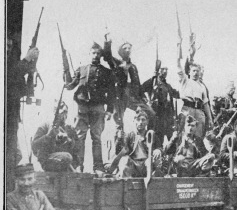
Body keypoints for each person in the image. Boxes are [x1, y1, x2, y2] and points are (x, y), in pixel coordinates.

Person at [64, 42, 115, 174]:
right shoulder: (81, 69)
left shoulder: (107, 72)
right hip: (82, 108)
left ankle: (98, 167)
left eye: (98, 53)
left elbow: (112, 93)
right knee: (80, 137)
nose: (96, 55)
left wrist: (110, 110)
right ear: (89, 54)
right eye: (93, 53)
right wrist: (66, 71)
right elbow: (70, 86)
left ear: (101, 55)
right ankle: (78, 166)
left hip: (98, 108)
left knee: (96, 138)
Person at [103, 39, 154, 154]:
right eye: (125, 48)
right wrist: (107, 43)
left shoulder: (133, 67)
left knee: (150, 113)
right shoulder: (116, 62)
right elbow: (107, 55)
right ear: (120, 51)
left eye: (129, 48)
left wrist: (143, 97)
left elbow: (138, 83)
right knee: (119, 125)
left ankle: (147, 143)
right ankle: (117, 154)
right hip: (120, 96)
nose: (128, 50)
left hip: (133, 96)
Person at [6, 38, 38, 191]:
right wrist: (26, 59)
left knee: (14, 153)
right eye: (5, 45)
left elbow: (21, 89)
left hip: (11, 113)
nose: (7, 49)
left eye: (9, 46)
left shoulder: (12, 62)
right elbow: (8, 76)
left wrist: (31, 70)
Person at [106, 108, 163, 177]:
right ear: (134, 121)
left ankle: (151, 184)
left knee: (151, 162)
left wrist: (158, 150)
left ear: (147, 122)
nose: (140, 122)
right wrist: (119, 139)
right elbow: (119, 152)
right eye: (138, 120)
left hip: (147, 165)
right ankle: (126, 184)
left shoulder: (151, 135)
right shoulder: (130, 136)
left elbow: (160, 147)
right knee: (124, 160)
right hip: (133, 166)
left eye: (143, 120)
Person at [32, 100, 78, 172]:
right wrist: (48, 136)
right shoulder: (45, 126)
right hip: (48, 160)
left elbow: (77, 149)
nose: (63, 116)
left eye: (65, 113)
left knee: (68, 157)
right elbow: (34, 145)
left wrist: (69, 141)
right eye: (61, 113)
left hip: (67, 163)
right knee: (67, 157)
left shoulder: (70, 129)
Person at [142, 66, 180, 145]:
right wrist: (147, 101)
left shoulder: (168, 86)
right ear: (158, 70)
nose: (165, 71)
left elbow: (177, 94)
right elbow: (141, 89)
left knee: (171, 140)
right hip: (156, 116)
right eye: (163, 69)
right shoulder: (152, 82)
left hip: (167, 117)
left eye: (166, 69)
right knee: (156, 139)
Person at [177, 63, 213, 138]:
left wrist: (210, 119)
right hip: (187, 110)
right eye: (193, 71)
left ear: (200, 73)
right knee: (185, 134)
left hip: (199, 111)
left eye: (197, 71)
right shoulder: (185, 81)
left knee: (198, 136)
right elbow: (180, 68)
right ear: (189, 72)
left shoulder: (202, 86)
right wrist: (178, 59)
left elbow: (206, 104)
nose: (195, 73)